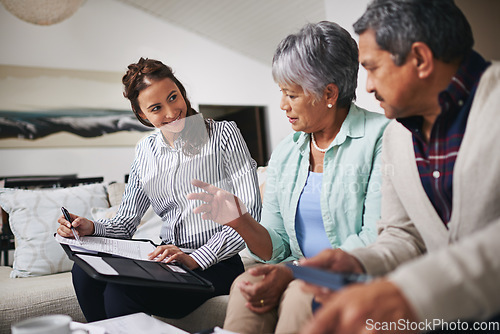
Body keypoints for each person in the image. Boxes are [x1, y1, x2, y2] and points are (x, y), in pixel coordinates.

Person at [298, 1, 500, 333]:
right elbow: (403, 235)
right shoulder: (395, 136)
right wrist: (357, 261)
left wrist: (413, 292)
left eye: (373, 68)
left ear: (420, 59)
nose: (368, 87)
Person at [188, 21, 389, 333]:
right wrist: (240, 220)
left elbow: (374, 240)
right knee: (246, 283)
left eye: (291, 95)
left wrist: (298, 272)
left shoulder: (382, 137)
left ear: (329, 93)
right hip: (299, 270)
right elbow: (277, 247)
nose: (282, 105)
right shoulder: (287, 152)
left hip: (357, 272)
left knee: (299, 294)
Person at [56, 57, 262, 322]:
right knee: (83, 272)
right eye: (156, 108)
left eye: (174, 97)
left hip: (215, 265)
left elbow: (250, 212)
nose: (171, 112)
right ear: (142, 115)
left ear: (181, 92)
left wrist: (196, 258)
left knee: (120, 293)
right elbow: (125, 223)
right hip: (168, 260)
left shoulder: (223, 134)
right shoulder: (145, 151)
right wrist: (92, 228)